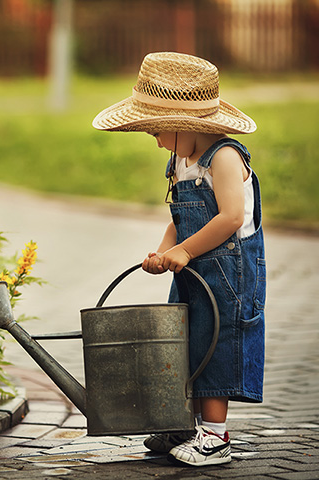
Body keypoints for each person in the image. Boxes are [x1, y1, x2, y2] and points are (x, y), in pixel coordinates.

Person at [92, 52, 266, 467]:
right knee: (182, 340)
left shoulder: (224, 157)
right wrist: (166, 250)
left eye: (157, 130)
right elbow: (179, 219)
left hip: (230, 272)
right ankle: (181, 423)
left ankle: (215, 437)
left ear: (188, 124)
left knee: (216, 342)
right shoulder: (181, 159)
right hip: (195, 267)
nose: (154, 141)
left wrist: (185, 250)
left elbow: (231, 217)